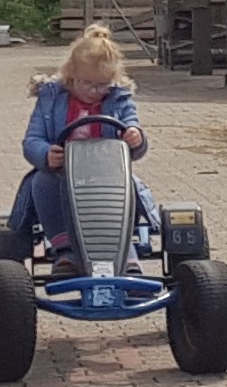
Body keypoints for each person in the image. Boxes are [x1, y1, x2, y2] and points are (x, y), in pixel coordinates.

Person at [18, 26, 147, 275]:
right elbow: (32, 139)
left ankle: (124, 251)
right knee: (41, 184)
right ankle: (64, 248)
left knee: (129, 190)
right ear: (71, 74)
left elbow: (134, 132)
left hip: (108, 173)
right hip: (62, 173)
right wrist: (46, 154)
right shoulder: (50, 99)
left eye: (102, 86)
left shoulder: (119, 100)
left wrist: (135, 138)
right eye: (87, 83)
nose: (94, 91)